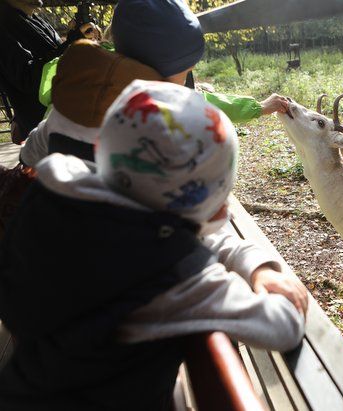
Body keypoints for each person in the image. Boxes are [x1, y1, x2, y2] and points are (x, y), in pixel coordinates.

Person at [0, 80, 307, 410]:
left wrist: (246, 259)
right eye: (221, 194)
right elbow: (282, 326)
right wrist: (270, 272)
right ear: (204, 203)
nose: (226, 208)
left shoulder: (57, 201)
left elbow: (156, 226)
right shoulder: (176, 280)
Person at [20, 0, 289, 167]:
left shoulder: (77, 95)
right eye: (185, 72)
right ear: (154, 72)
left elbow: (31, 150)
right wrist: (257, 107)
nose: (187, 83)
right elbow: (205, 104)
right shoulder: (158, 115)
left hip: (53, 225)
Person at [0, 0, 91, 144]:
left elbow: (54, 55)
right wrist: (72, 43)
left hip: (66, 121)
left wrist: (77, 38)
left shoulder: (32, 17)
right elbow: (28, 78)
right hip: (47, 134)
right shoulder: (4, 24)